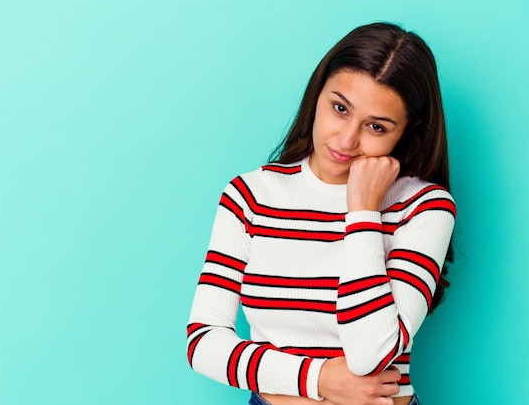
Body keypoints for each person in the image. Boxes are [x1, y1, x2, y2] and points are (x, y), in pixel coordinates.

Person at [186, 22, 456, 405]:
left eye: (376, 126)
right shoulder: (250, 196)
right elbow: (202, 341)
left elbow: (372, 355)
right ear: (318, 93)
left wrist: (363, 212)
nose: (346, 140)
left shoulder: (424, 207)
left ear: (407, 131)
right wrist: (318, 379)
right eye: (340, 108)